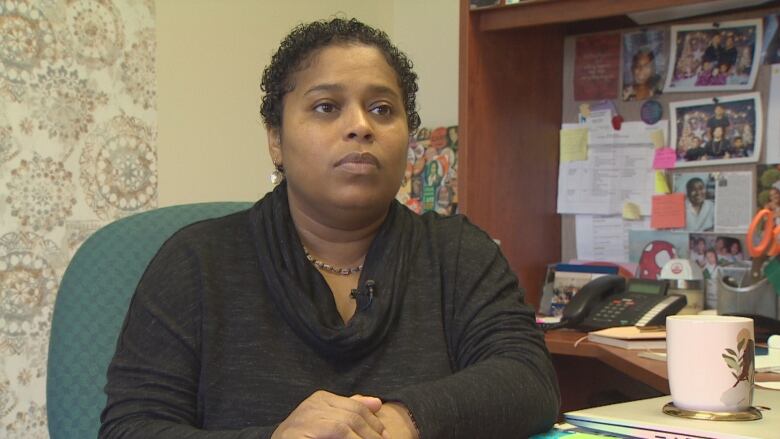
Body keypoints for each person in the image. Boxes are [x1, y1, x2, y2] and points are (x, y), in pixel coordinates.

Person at [99, 17, 559, 439]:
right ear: (275, 139)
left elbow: (529, 381)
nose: (360, 126)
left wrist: (399, 422)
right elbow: (130, 429)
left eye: (382, 109)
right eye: (325, 106)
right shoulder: (196, 263)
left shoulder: (458, 254)